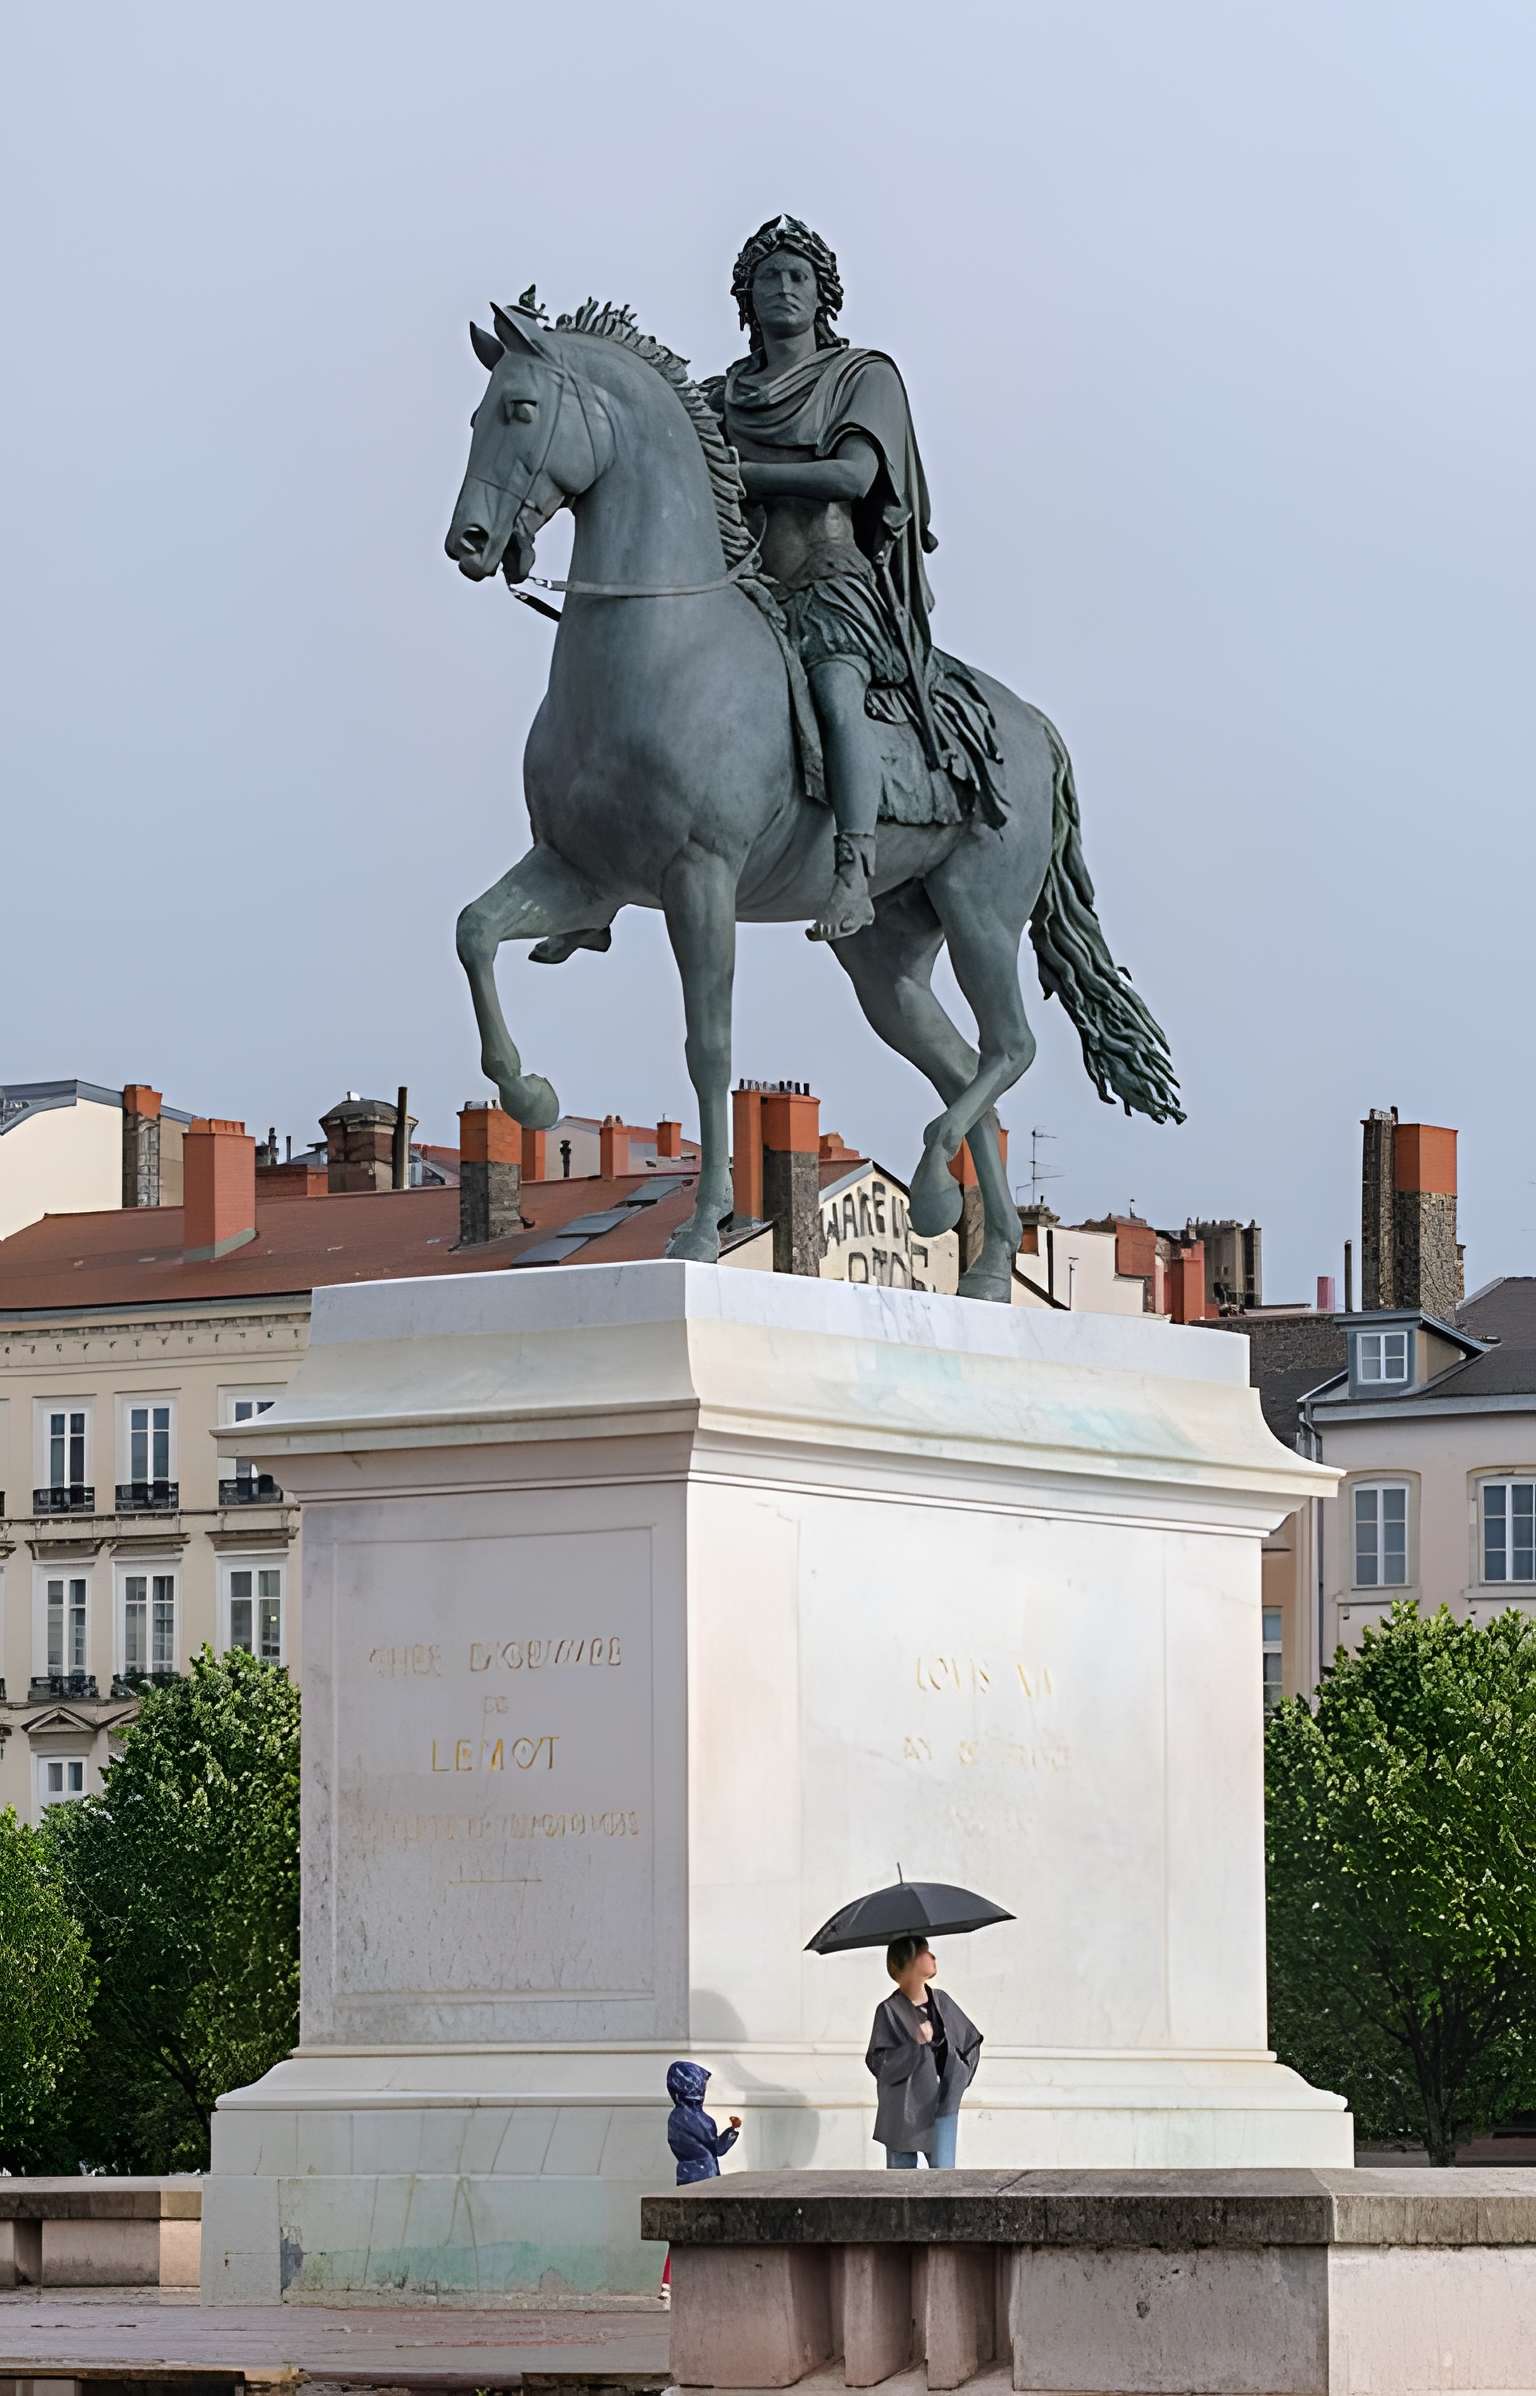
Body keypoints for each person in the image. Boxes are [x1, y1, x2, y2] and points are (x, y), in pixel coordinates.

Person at [713, 215, 1004, 944]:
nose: (782, 288)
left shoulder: (861, 376)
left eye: (797, 277)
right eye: (767, 278)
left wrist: (739, 473)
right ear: (746, 299)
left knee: (837, 693)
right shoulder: (722, 395)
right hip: (742, 586)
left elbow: (853, 474)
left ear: (822, 295)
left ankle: (854, 869)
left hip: (830, 577)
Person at [865, 1935, 982, 2169]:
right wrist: (914, 2045)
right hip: (903, 2111)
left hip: (942, 2104)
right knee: (901, 2181)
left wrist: (959, 2077)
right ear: (910, 1961)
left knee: (943, 2178)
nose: (933, 1957)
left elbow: (970, 2041)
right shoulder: (889, 2010)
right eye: (925, 1952)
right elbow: (879, 2064)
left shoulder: (942, 2002)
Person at [661, 2058, 742, 2303]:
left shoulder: (674, 2118)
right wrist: (731, 2132)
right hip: (706, 2176)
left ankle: (669, 2282)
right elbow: (716, 2148)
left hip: (684, 2174)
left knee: (680, 2232)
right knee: (710, 2229)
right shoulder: (702, 2120)